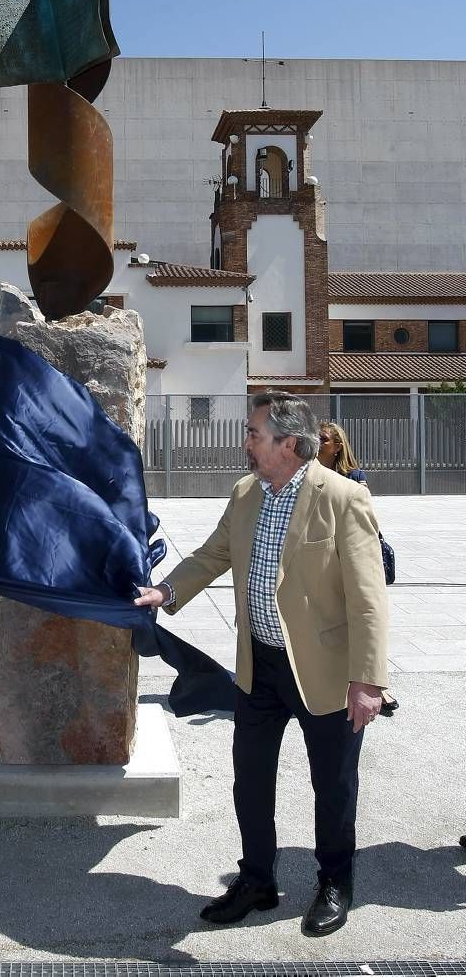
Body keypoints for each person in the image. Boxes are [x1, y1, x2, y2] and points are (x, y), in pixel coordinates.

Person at [135, 391, 388, 937]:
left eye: (254, 434)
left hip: (324, 672)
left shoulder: (344, 498)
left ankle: (335, 883)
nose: (245, 442)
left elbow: (369, 598)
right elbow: (212, 554)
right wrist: (166, 592)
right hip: (260, 668)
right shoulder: (247, 492)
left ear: (290, 445)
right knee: (250, 781)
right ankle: (256, 881)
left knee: (334, 785)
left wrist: (367, 681)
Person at [317, 421, 399, 717]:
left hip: (349, 559)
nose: (316, 442)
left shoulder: (354, 477)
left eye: (323, 439)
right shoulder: (304, 475)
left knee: (362, 622)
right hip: (322, 562)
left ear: (337, 446)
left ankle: (378, 683)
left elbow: (366, 519)